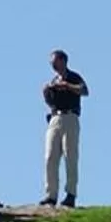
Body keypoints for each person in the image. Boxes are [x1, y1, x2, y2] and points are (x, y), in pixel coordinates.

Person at [41, 49, 89, 207]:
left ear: (63, 61)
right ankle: (51, 194)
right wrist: (48, 92)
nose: (53, 65)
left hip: (70, 117)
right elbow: (50, 101)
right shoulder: (53, 80)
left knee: (70, 156)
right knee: (50, 157)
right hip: (55, 117)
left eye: (55, 61)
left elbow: (84, 91)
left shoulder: (73, 77)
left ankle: (70, 193)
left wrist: (67, 86)